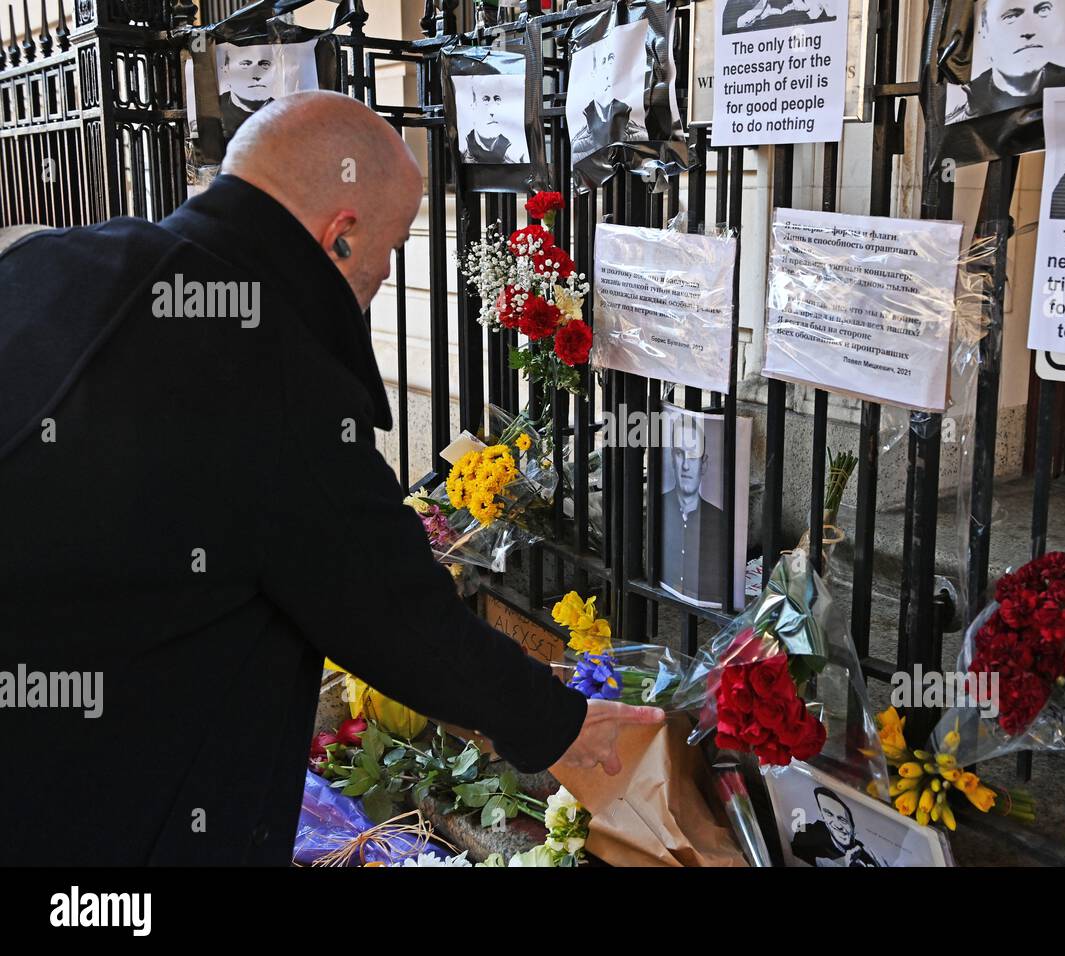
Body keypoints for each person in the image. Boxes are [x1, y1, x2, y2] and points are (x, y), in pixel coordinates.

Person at [0, 91, 662, 865]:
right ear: (339, 236)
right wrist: (558, 723)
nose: (384, 274)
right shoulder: (264, 363)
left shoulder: (44, 265)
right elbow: (390, 610)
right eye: (390, 249)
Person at [946, 0, 1065, 123]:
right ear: (984, 34)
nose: (1029, 31)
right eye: (1010, 17)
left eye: (1042, 10)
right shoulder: (961, 120)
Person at [659, 415, 726, 607]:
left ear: (703, 463)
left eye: (693, 456)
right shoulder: (659, 507)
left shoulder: (719, 520)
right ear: (673, 458)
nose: (686, 465)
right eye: (680, 454)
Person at [570, 40, 646, 161]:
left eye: (611, 62)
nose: (609, 72)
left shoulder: (640, 136)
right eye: (603, 62)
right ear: (593, 74)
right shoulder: (578, 145)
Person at [790, 788, 885, 867]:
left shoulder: (866, 853)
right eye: (829, 814)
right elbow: (794, 857)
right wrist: (843, 863)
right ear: (822, 816)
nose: (838, 825)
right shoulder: (807, 834)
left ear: (853, 824)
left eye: (843, 820)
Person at [459, 77, 528, 165]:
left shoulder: (517, 155)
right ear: (473, 107)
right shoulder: (461, 152)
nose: (492, 111)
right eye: (485, 100)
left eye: (497, 99)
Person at [219, 43, 277, 136]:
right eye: (245, 65)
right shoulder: (211, 108)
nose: (257, 76)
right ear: (226, 71)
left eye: (265, 64)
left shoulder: (288, 114)